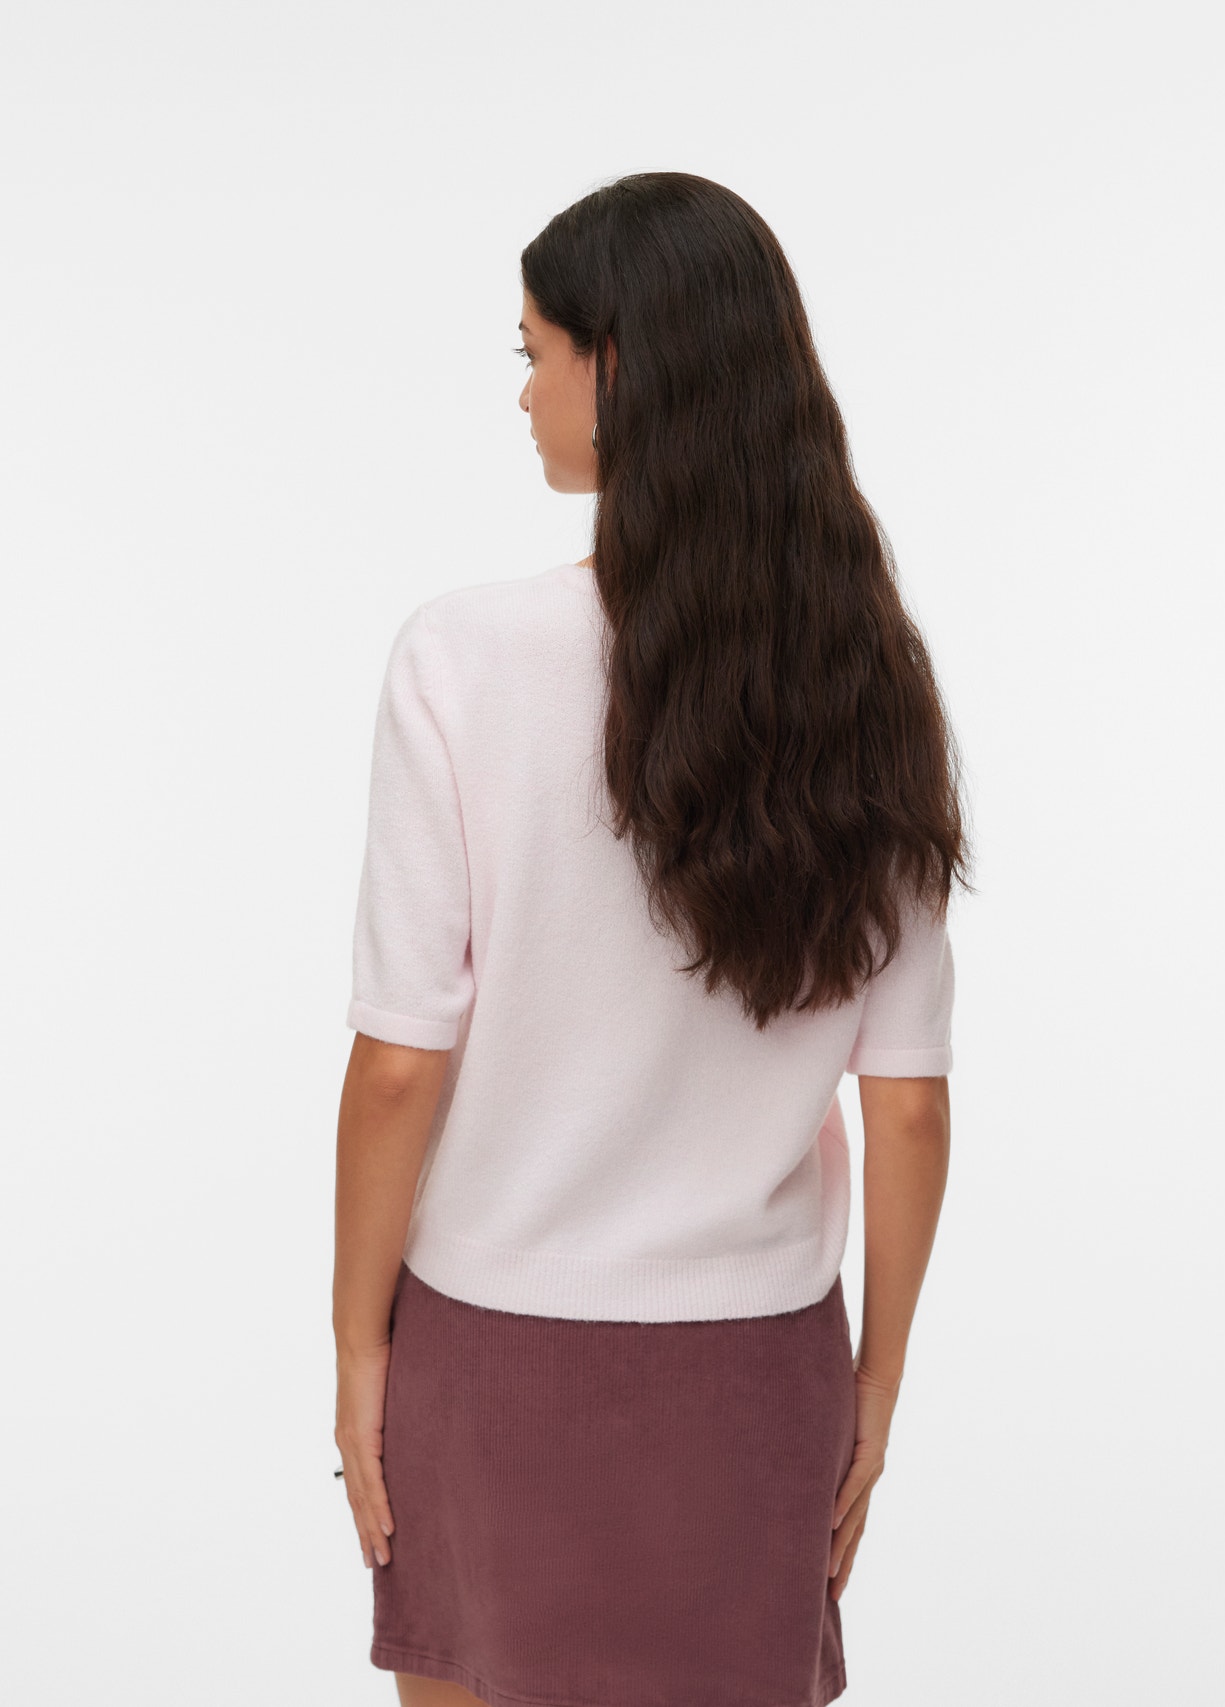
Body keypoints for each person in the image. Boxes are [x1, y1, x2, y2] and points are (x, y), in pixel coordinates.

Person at [332, 171, 972, 1707]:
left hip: (491, 1350)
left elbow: (403, 1064)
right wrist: (876, 1385)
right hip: (756, 1367)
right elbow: (907, 1102)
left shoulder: (461, 658)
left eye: (535, 351)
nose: (525, 392)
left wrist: (359, 1346)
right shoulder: (868, 683)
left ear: (615, 365)